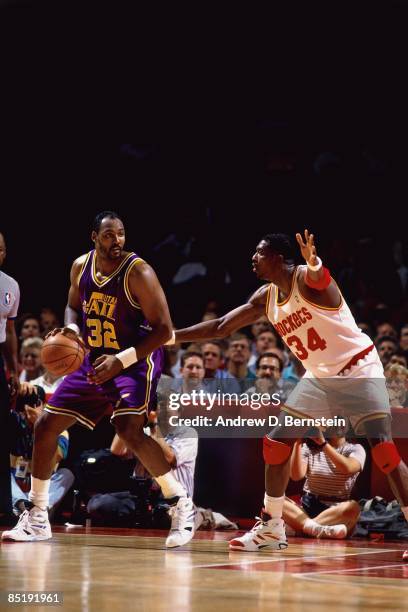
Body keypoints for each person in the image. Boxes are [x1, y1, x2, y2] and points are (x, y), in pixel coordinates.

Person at [172, 230, 408, 557]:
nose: (253, 258)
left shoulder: (307, 280)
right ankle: (271, 526)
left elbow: (321, 279)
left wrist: (315, 263)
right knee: (276, 443)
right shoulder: (265, 297)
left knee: (384, 452)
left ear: (279, 258)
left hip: (357, 369)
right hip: (320, 376)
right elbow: (221, 326)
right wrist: (170, 337)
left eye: (259, 253)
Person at [2, 211, 195, 547]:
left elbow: (165, 330)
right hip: (94, 356)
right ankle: (36, 516)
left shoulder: (140, 272)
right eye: (109, 235)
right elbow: (72, 306)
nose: (116, 241)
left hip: (137, 358)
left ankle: (180, 504)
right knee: (46, 425)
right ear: (94, 237)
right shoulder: (80, 266)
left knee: (129, 432)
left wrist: (121, 361)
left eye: (121, 234)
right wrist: (73, 331)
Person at [283, 428, 364, 539]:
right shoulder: (309, 448)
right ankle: (319, 530)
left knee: (353, 507)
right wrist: (297, 441)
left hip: (336, 510)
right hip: (308, 506)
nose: (338, 425)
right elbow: (296, 476)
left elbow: (348, 468)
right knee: (275, 499)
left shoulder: (355, 449)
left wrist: (324, 444)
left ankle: (302, 529)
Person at [0, 231, 20, 520]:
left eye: (2, 249)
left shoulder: (11, 285)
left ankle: (4, 507)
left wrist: (13, 370)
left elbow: (10, 331)